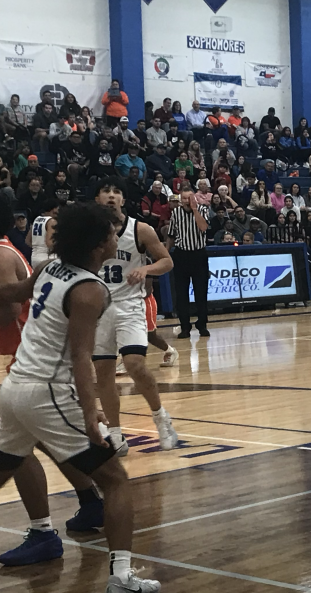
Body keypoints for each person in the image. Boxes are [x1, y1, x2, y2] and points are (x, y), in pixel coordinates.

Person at [0, 202, 162, 593]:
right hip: (48, 392)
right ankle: (121, 577)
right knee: (117, 481)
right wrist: (91, 414)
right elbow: (80, 357)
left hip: (15, 388)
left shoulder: (47, 269)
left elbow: (11, 292)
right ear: (96, 246)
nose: (114, 238)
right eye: (109, 234)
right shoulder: (91, 291)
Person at [91, 178, 178, 455]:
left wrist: (146, 270)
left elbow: (167, 261)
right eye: (107, 191)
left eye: (116, 191)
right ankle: (116, 435)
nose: (112, 195)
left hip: (129, 306)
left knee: (134, 366)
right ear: (97, 199)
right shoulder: (87, 232)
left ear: (123, 200)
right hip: (97, 310)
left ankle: (161, 418)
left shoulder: (140, 229)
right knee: (103, 375)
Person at [167, 188, 211, 338]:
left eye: (190, 198)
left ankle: (202, 324)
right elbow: (171, 235)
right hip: (181, 255)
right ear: (181, 200)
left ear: (195, 198)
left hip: (199, 255)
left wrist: (194, 210)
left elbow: (203, 227)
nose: (187, 201)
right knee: (181, 293)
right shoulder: (176, 213)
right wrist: (166, 253)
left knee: (201, 292)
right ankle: (185, 326)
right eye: (184, 198)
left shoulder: (203, 209)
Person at [26, 200, 60, 270]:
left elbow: (27, 241)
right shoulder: (52, 221)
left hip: (34, 257)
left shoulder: (36, 219)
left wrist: (38, 247)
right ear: (53, 209)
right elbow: (49, 243)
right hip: (47, 258)